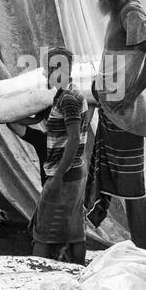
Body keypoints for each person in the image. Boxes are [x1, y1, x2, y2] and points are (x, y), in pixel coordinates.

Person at [85, 0, 146, 249]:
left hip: (125, 116)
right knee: (121, 186)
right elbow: (117, 63)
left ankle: (144, 254)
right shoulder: (117, 13)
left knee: (133, 190)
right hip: (110, 112)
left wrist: (131, 94)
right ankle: (139, 251)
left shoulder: (131, 12)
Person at [32, 47, 89, 263]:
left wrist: (57, 178)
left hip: (64, 175)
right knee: (74, 229)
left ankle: (35, 276)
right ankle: (78, 270)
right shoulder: (64, 96)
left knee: (43, 232)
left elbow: (74, 139)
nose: (47, 73)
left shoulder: (68, 99)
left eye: (50, 68)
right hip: (74, 172)